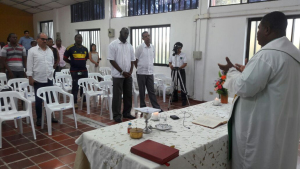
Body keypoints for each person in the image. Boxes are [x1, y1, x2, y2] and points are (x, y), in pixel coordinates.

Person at [218, 11, 300, 169]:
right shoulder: (294, 55)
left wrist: (231, 70)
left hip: (263, 130)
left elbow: (244, 87)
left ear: (267, 30)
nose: (257, 33)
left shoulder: (267, 55)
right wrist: (246, 71)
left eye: (259, 28)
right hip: (284, 125)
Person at [27, 33, 58, 126]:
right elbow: (29, 65)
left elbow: (52, 63)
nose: (45, 41)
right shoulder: (32, 51)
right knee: (39, 101)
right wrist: (30, 77)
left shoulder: (50, 51)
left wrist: (51, 74)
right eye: (42, 39)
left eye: (46, 39)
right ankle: (39, 118)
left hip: (49, 78)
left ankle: (50, 116)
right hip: (38, 79)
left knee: (49, 99)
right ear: (37, 39)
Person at [107, 27, 136, 123]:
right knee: (117, 96)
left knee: (128, 95)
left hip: (128, 75)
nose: (126, 35)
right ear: (120, 32)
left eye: (127, 33)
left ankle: (127, 113)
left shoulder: (130, 46)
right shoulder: (113, 45)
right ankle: (117, 115)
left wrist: (131, 71)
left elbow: (132, 60)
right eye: (124, 33)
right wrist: (122, 71)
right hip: (118, 75)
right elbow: (111, 60)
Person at [134, 31, 162, 112]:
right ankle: (143, 107)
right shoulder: (140, 47)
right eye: (146, 36)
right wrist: (139, 68)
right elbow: (135, 59)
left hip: (150, 73)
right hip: (141, 73)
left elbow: (151, 59)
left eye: (148, 36)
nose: (148, 37)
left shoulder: (152, 47)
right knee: (142, 91)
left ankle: (156, 107)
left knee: (151, 91)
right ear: (143, 38)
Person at [64, 34, 89, 108]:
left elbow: (86, 58)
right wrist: (72, 62)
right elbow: (65, 58)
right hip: (74, 70)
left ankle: (84, 101)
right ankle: (74, 102)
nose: (79, 39)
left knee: (84, 86)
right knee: (75, 86)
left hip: (84, 70)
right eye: (78, 38)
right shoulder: (70, 48)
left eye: (81, 38)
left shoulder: (85, 49)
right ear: (75, 39)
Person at [168, 42, 188, 106]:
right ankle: (175, 97)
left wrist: (179, 68)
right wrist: (171, 66)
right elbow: (170, 62)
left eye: (179, 48)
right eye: (176, 48)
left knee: (182, 85)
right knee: (174, 84)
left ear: (181, 48)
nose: (177, 49)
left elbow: (185, 63)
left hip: (181, 71)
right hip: (174, 71)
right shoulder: (172, 54)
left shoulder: (183, 55)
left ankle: (184, 100)